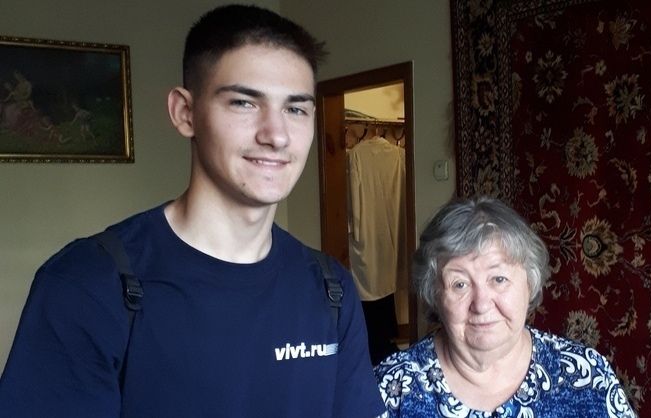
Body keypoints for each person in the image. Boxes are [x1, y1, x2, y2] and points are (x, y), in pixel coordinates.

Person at [0, 5, 384, 418]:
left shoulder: (330, 289)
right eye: (244, 102)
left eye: (295, 109)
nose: (276, 135)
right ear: (185, 113)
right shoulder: (88, 285)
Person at [374, 197, 636, 417]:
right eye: (460, 284)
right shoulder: (389, 390)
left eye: (498, 279)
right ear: (434, 294)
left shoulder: (587, 376)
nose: (481, 304)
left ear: (530, 283)